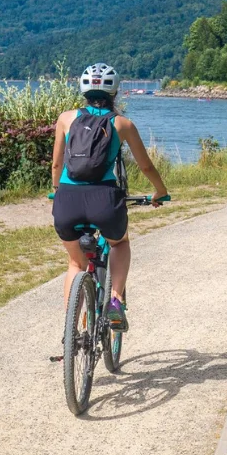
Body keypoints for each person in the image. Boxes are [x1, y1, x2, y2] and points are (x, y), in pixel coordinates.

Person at [50, 63, 169, 332]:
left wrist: (57, 190)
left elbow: (57, 166)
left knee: (75, 262)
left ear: (83, 90)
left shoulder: (66, 119)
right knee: (120, 243)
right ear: (115, 92)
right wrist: (159, 191)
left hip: (67, 200)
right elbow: (146, 166)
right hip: (104, 200)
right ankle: (115, 302)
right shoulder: (122, 124)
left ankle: (71, 328)